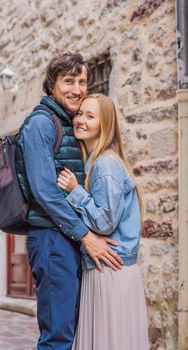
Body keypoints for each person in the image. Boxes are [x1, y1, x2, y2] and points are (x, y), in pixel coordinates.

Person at [18, 53, 123, 350]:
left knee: (69, 330)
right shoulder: (41, 123)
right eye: (68, 81)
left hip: (64, 238)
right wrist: (86, 235)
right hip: (52, 240)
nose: (77, 89)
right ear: (52, 85)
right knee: (57, 337)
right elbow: (45, 191)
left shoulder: (67, 122)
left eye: (82, 82)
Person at [56, 94, 149, 350]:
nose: (80, 120)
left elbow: (105, 222)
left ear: (105, 124)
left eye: (90, 116)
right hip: (109, 267)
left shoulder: (105, 164)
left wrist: (75, 190)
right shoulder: (97, 161)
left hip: (110, 267)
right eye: (79, 114)